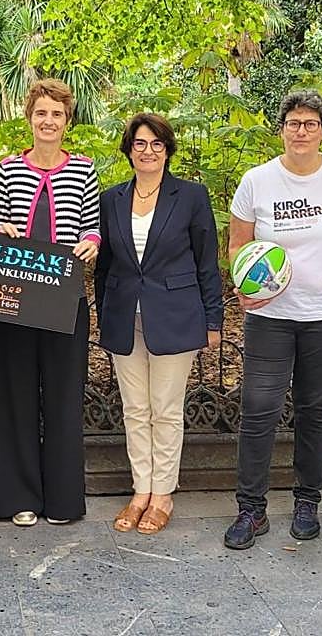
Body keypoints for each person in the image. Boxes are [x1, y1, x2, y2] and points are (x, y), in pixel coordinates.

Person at [222, 89, 322, 551]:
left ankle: (308, 500)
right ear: (282, 128)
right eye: (293, 123)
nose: (301, 131)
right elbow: (237, 247)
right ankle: (251, 509)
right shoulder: (258, 180)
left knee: (314, 409)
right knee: (258, 409)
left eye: (310, 124)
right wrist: (247, 288)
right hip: (272, 316)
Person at [95, 113, 223, 534]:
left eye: (156, 144)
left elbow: (207, 261)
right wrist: (104, 314)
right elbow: (106, 264)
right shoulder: (112, 197)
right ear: (128, 149)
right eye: (139, 144)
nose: (147, 151)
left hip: (176, 314)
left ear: (167, 149)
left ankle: (163, 493)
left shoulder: (190, 195)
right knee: (135, 409)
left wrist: (213, 317)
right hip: (124, 316)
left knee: (165, 410)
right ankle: (141, 490)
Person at [0, 78, 101, 526]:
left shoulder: (84, 169)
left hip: (66, 296)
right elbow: (0, 224)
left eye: (57, 114)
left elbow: (90, 225)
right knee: (14, 394)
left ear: (67, 121)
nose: (48, 121)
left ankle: (64, 500)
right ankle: (17, 497)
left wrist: (91, 241)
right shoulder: (9, 168)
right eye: (41, 113)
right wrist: (2, 232)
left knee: (63, 396)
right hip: (15, 296)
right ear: (29, 118)